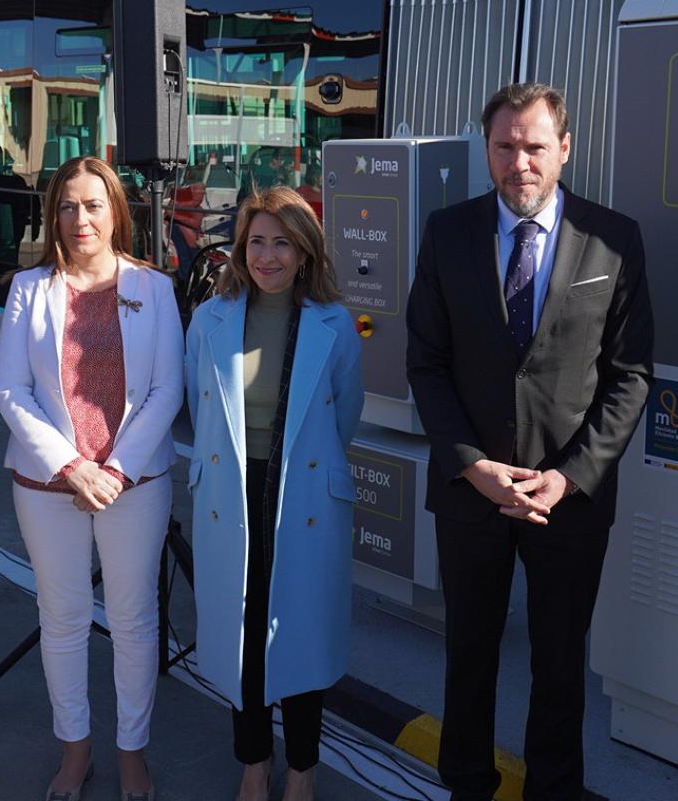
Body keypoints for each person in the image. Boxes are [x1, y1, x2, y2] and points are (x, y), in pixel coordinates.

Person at [405, 83, 654, 801]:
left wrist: (570, 477)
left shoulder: (615, 239)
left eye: (535, 146)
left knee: (559, 663)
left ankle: (554, 791)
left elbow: (630, 376)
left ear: (565, 148)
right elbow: (427, 362)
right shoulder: (446, 233)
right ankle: (466, 786)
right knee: (469, 656)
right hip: (470, 493)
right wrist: (470, 464)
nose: (520, 162)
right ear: (486, 149)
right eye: (505, 146)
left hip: (568, 502)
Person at [0, 156, 183, 801]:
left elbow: (166, 390)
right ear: (53, 215)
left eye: (94, 205)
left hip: (134, 483)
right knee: (64, 618)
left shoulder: (153, 288)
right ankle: (75, 750)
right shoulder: (27, 289)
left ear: (116, 213)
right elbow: (12, 393)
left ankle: (133, 752)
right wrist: (73, 467)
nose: (81, 218)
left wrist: (116, 469)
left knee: (133, 622)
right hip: (49, 486)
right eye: (68, 206)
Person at [184, 186, 363, 801]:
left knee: (301, 634)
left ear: (305, 252)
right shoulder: (210, 318)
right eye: (256, 241)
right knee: (245, 633)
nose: (267, 256)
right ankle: (254, 764)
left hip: (305, 496)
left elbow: (345, 416)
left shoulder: (335, 324)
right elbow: (198, 407)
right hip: (233, 492)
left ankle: (303, 769)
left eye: (282, 243)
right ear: (239, 249)